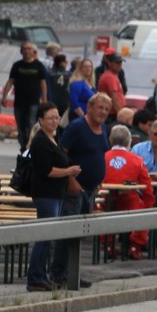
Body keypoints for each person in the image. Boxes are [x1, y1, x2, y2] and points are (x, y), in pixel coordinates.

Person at [53, 92, 113, 284]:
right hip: (74, 189)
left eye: (106, 109)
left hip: (90, 189)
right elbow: (61, 153)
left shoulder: (103, 128)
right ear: (90, 107)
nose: (103, 112)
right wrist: (70, 179)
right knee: (68, 232)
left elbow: (99, 153)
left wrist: (98, 178)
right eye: (100, 107)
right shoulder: (77, 127)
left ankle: (72, 273)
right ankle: (58, 274)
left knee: (80, 234)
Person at [25, 103, 81, 293]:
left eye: (57, 117)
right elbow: (46, 170)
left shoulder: (53, 138)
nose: (55, 121)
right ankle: (35, 277)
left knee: (48, 237)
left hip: (56, 193)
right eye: (50, 118)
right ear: (41, 120)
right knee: (45, 236)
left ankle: (41, 275)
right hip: (46, 194)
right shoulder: (40, 141)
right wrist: (68, 171)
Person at [102, 125, 153, 259]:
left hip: (105, 201)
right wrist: (149, 203)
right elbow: (147, 186)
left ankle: (108, 245)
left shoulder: (102, 157)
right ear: (129, 141)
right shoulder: (137, 160)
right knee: (144, 211)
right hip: (129, 201)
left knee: (103, 213)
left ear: (110, 140)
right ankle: (135, 246)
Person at [1, 41, 49, 151]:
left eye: (29, 49)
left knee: (32, 124)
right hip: (19, 101)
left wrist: (44, 99)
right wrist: (4, 96)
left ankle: (31, 146)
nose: (27, 51)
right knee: (21, 126)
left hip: (34, 101)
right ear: (21, 51)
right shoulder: (17, 65)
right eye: (24, 49)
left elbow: (43, 83)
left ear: (33, 51)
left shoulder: (39, 65)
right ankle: (23, 147)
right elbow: (10, 81)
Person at [68, 56, 97, 122]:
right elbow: (74, 103)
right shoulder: (77, 83)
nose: (88, 69)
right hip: (78, 118)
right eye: (85, 67)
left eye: (90, 67)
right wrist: (83, 117)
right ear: (80, 69)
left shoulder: (90, 84)